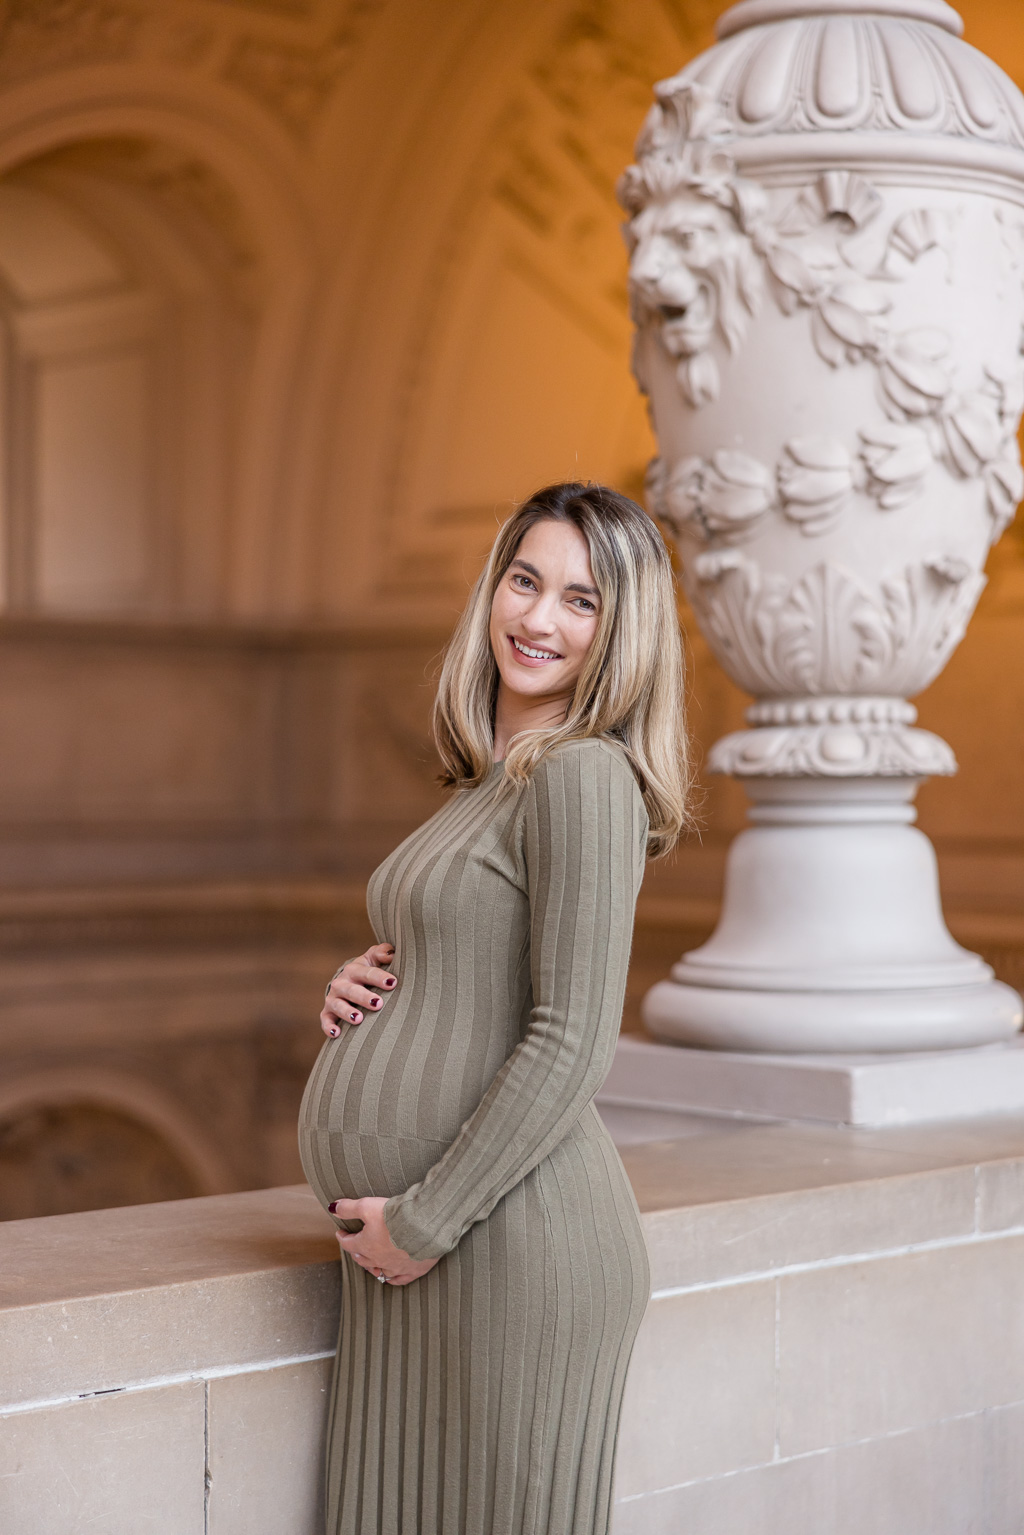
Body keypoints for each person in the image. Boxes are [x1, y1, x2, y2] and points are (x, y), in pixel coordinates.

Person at [298, 480, 690, 1535]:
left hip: (503, 1249)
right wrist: (373, 983)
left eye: (581, 600)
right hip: (428, 1256)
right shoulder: (492, 781)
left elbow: (572, 1039)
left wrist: (420, 1221)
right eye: (525, 580)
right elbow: (474, 969)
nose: (536, 617)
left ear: (621, 635)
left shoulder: (581, 778)